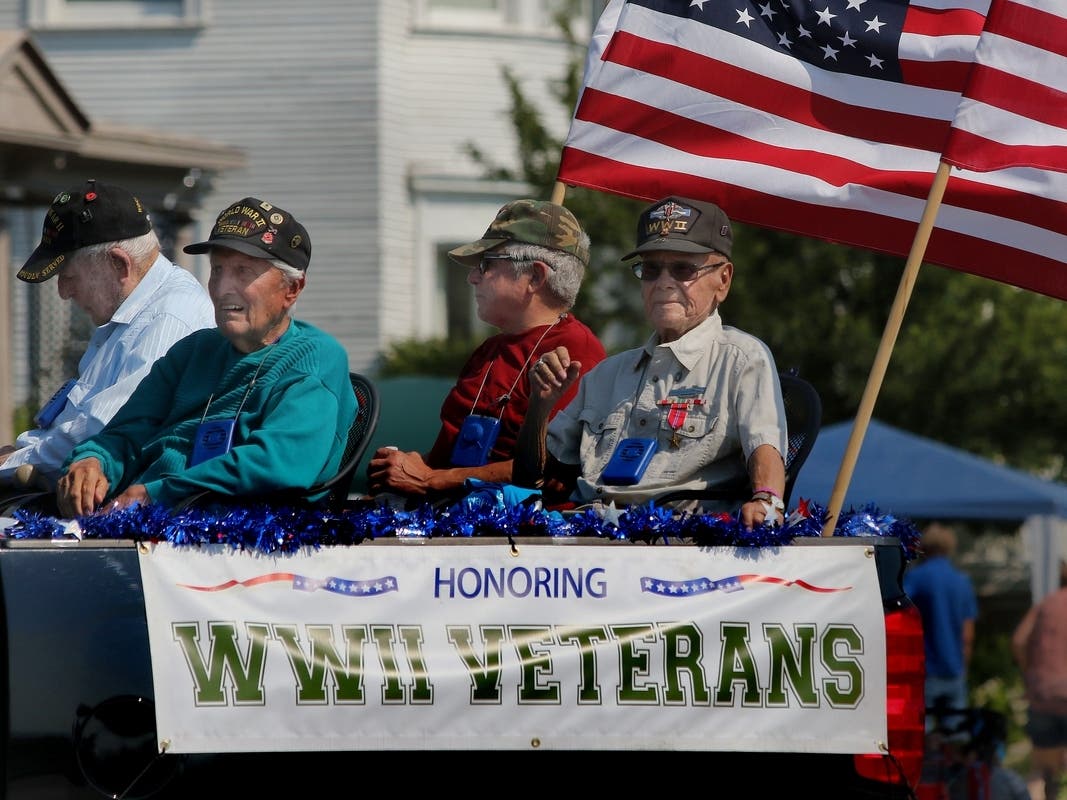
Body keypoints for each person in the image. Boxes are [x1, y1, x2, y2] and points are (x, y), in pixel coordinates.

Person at [56, 197, 356, 517]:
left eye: (243, 272)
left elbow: (278, 463)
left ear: (292, 289)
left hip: (238, 536)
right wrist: (92, 461)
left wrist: (154, 494)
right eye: (218, 270)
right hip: (143, 520)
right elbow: (125, 434)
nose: (224, 287)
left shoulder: (315, 357)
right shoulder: (194, 350)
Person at [513, 195, 787, 528]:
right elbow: (534, 481)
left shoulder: (741, 359)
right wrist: (540, 407)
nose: (664, 282)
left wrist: (766, 499)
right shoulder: (605, 376)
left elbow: (765, 445)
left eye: (683, 269)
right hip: (593, 538)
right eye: (651, 269)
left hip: (687, 544)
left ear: (723, 280)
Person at [366, 199, 605, 505]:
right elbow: (449, 458)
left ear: (535, 276)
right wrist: (406, 466)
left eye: (486, 264)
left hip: (523, 538)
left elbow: (554, 468)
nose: (472, 277)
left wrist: (431, 479)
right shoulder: (489, 350)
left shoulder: (575, 352)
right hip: (455, 520)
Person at [0, 179, 215, 491]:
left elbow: (104, 428)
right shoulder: (128, 313)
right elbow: (80, 416)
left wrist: (14, 461)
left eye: (68, 276)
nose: (63, 292)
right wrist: (22, 451)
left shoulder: (169, 317)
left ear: (118, 263)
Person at [903, 523, 978, 727]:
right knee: (955, 738)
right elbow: (967, 635)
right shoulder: (962, 581)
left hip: (925, 668)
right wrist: (964, 667)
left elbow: (901, 615)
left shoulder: (916, 578)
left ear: (924, 547)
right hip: (954, 667)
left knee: (922, 737)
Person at [1012, 560, 1067, 800]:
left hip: (1044, 693)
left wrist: (1031, 674)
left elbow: (1019, 641)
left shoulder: (1047, 603)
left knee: (1045, 771)